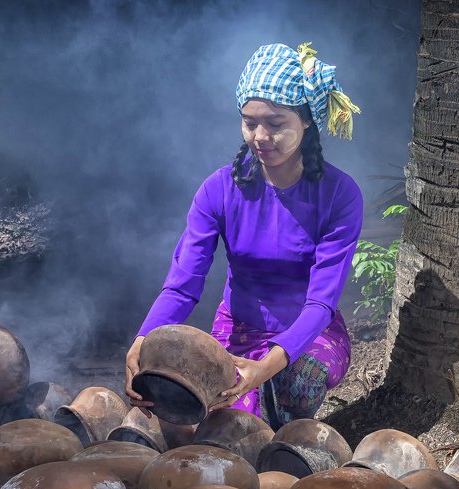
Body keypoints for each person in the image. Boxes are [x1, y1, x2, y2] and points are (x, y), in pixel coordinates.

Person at [124, 42, 364, 429]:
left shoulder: (340, 194)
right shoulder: (218, 190)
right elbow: (182, 287)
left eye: (275, 123)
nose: (260, 136)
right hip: (237, 326)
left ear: (306, 122)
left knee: (297, 385)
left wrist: (265, 367)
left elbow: (321, 303)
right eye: (250, 122)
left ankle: (288, 437)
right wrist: (142, 340)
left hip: (311, 332)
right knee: (222, 420)